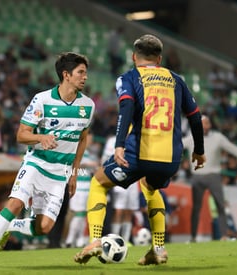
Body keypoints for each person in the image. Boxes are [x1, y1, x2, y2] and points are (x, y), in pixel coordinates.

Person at [73, 34, 206, 266]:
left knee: (98, 182)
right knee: (150, 188)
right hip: (171, 157)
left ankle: (95, 240)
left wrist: (119, 144)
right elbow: (195, 117)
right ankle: (158, 248)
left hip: (139, 152)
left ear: (134, 57)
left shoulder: (129, 77)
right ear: (160, 58)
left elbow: (126, 107)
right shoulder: (176, 79)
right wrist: (199, 151)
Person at [0, 52, 95, 268]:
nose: (85, 77)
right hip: (36, 163)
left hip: (60, 172)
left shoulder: (88, 105)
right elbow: (21, 135)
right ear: (66, 75)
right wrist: (41, 137)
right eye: (81, 72)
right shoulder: (42, 99)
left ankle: (9, 227)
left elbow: (82, 139)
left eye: (85, 73)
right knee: (16, 202)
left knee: (44, 227)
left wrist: (74, 174)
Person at [182, 115, 237, 242]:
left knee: (220, 206)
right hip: (197, 177)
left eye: (207, 123)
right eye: (202, 123)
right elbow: (176, 146)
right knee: (196, 208)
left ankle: (224, 236)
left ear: (210, 125)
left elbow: (235, 150)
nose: (205, 126)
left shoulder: (217, 138)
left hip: (214, 175)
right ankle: (193, 237)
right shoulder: (191, 138)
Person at [102, 135, 139, 245]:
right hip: (119, 175)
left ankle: (126, 240)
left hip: (134, 178)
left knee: (129, 210)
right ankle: (114, 240)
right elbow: (105, 160)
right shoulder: (113, 140)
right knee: (119, 210)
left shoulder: (137, 138)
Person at [65, 133, 99, 248]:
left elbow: (95, 169)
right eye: (89, 139)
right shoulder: (77, 151)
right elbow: (74, 165)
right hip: (78, 186)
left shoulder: (90, 155)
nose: (91, 141)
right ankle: (70, 239)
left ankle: (79, 239)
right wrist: (89, 164)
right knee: (78, 213)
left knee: (84, 214)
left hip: (87, 187)